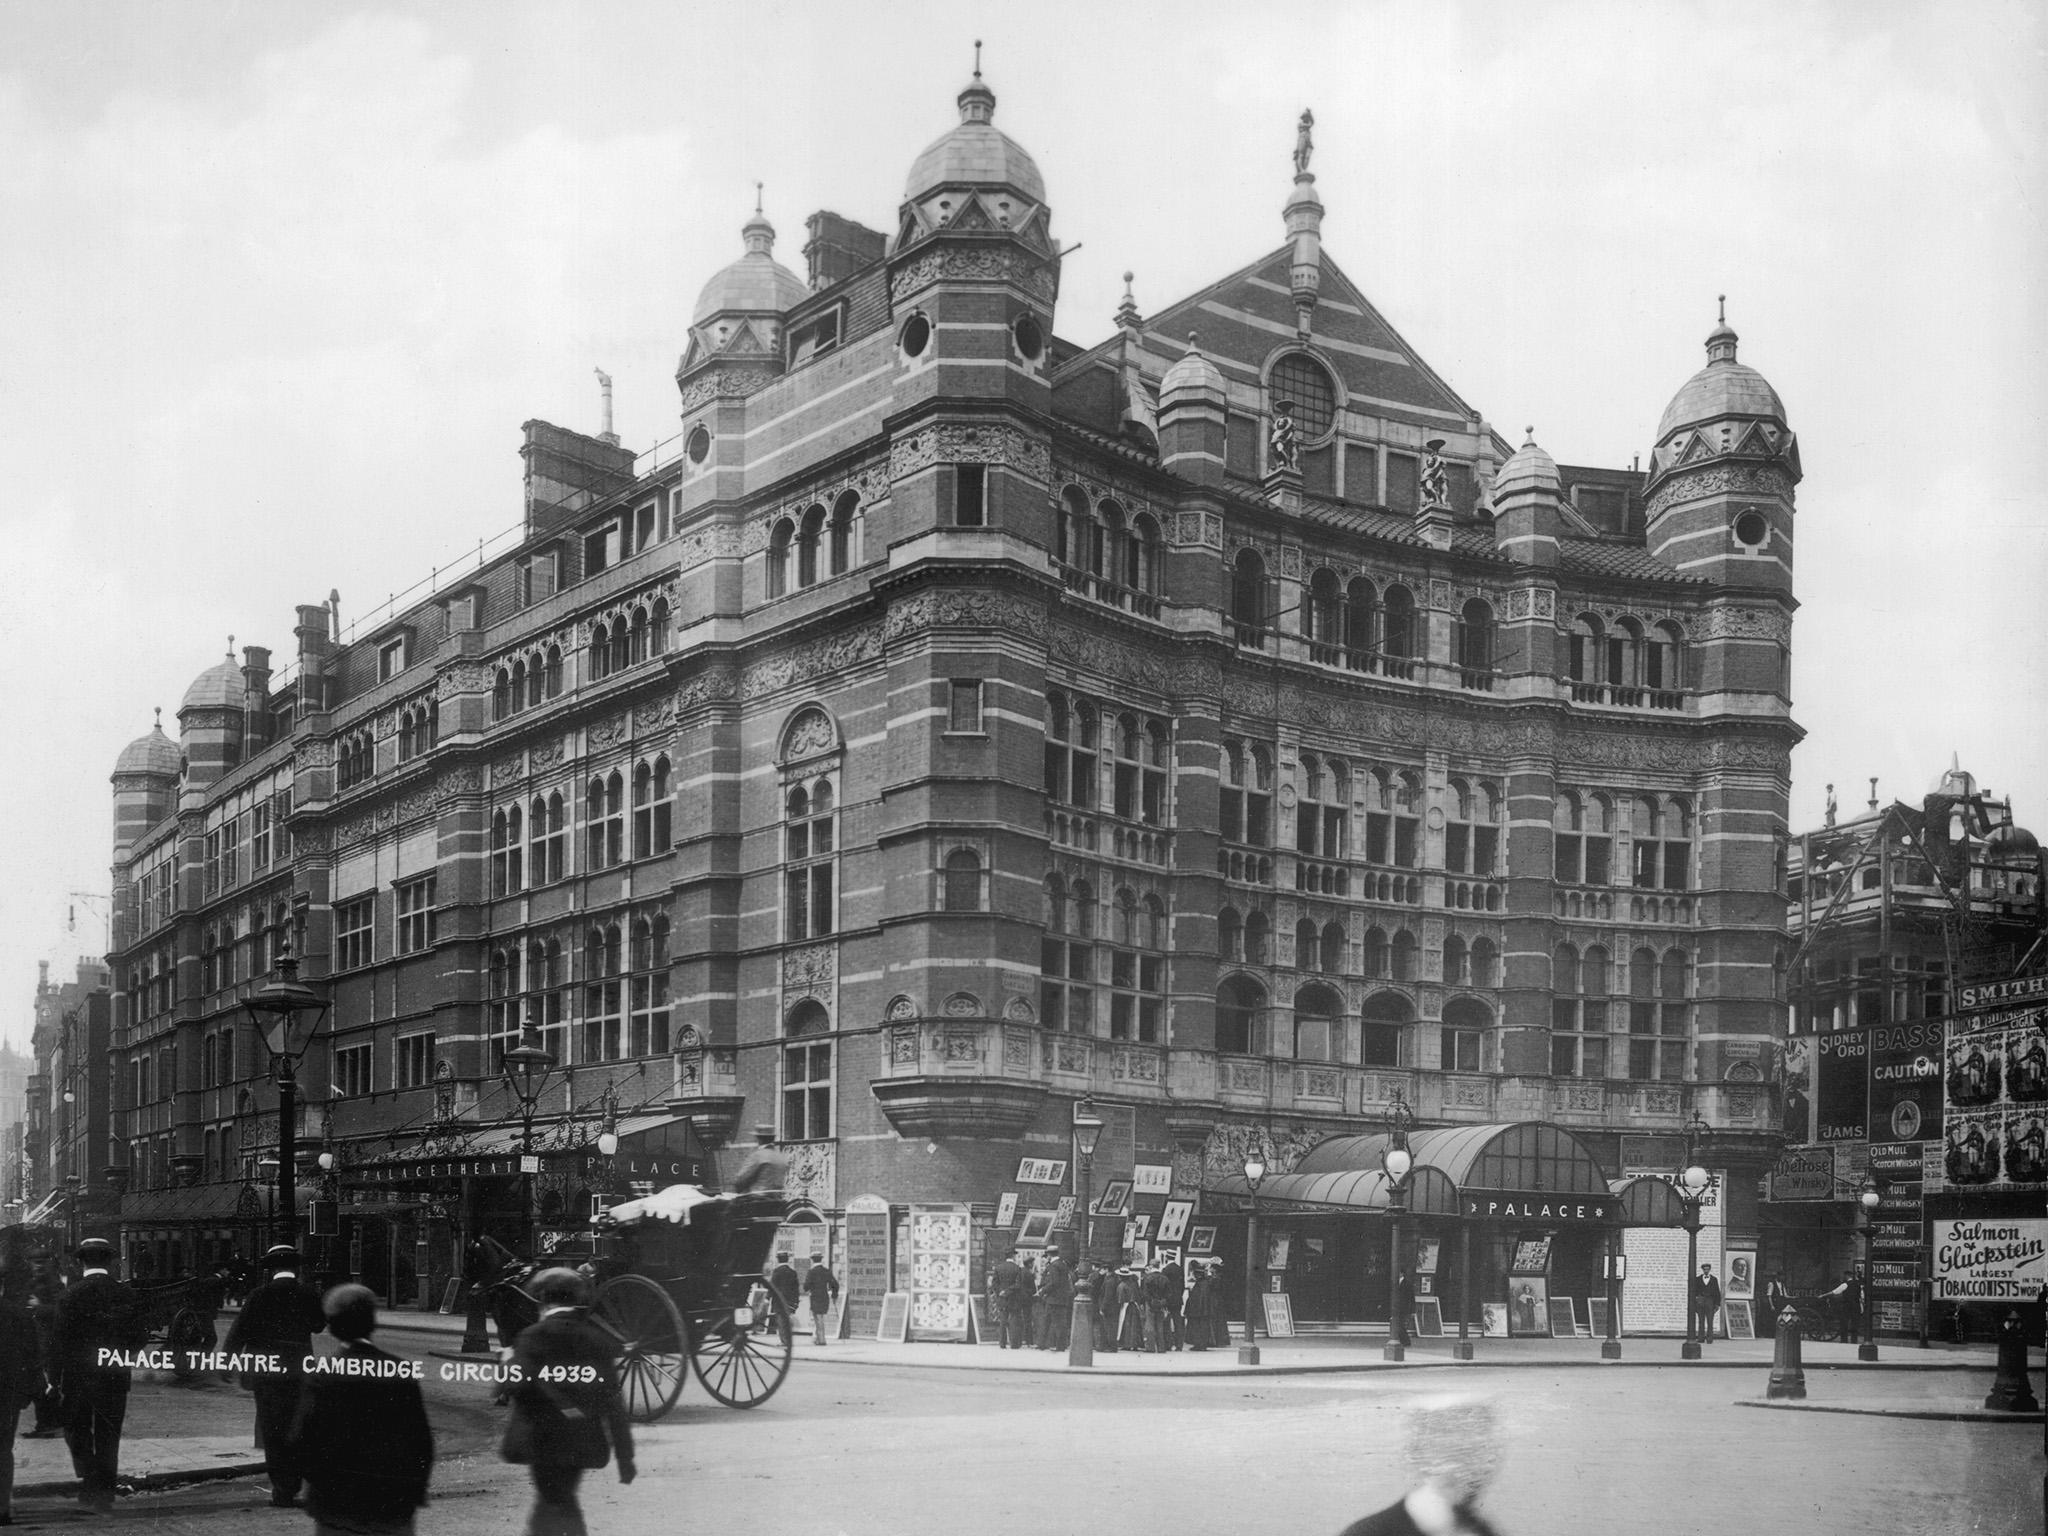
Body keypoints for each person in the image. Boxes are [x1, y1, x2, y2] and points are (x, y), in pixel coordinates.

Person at [290, 1284, 434, 1536]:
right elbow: (420, 1441)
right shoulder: (400, 1370)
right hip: (392, 1506)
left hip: (337, 1507)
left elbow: (302, 1440)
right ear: (372, 1323)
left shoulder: (323, 1375)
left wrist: (319, 1488)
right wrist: (413, 1492)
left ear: (332, 1326)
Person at [501, 1269, 634, 1536]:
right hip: (583, 1440)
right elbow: (614, 1403)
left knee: (553, 1502)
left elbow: (512, 1385)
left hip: (542, 1441)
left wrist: (506, 1363)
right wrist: (624, 1456)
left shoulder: (532, 1337)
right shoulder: (596, 1340)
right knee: (559, 1499)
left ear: (543, 1300)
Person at [223, 1244, 327, 1507]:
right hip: (298, 1372)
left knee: (272, 1429)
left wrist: (226, 1364)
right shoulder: (307, 1294)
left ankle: (281, 1489)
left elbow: (239, 1331)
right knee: (299, 1426)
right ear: (297, 1268)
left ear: (271, 1269)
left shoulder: (258, 1295)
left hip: (266, 1373)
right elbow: (318, 1326)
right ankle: (296, 1483)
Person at [49, 1237, 146, 1514]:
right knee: (109, 1434)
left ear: (81, 1262)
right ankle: (105, 1490)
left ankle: (90, 1480)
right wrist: (121, 1355)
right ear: (110, 1261)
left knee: (76, 1429)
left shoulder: (70, 1295)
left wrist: (53, 1380)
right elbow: (140, 1337)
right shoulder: (125, 1294)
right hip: (115, 1376)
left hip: (78, 1377)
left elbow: (58, 1343)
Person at [0, 1267, 45, 1523]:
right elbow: (32, 1359)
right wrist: (26, 1394)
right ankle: (2, 1509)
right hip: (6, 1397)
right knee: (3, 1450)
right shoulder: (18, 1316)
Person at [731, 1125, 788, 1196]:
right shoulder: (781, 1157)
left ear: (759, 1139)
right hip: (778, 1200)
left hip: (757, 1199)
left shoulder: (758, 1156)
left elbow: (741, 1179)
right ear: (773, 1138)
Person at [991, 1248, 1028, 1350]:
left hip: (1002, 1298)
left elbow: (994, 1284)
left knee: (1003, 1321)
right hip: (1014, 1298)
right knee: (1014, 1321)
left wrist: (1001, 1292)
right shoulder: (1017, 1268)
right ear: (1013, 1256)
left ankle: (1002, 1344)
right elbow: (1018, 1285)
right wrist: (1008, 1291)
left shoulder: (998, 1268)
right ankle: (1014, 1344)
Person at [1035, 1246, 1071, 1351]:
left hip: (1053, 1299)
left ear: (1050, 1255)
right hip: (1061, 1299)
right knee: (1057, 1322)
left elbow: (1053, 1282)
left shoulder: (1054, 1266)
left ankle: (1047, 1345)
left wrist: (1042, 1290)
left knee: (1050, 1322)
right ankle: (1056, 1345)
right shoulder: (1063, 1265)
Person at [801, 1257, 839, 1345]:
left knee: (818, 1318)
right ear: (821, 1259)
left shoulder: (811, 1272)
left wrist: (808, 1286)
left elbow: (806, 1287)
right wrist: (834, 1296)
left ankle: (821, 1339)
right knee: (820, 1317)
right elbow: (835, 1284)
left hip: (815, 1297)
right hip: (824, 1296)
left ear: (813, 1260)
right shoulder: (826, 1271)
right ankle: (818, 1338)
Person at [766, 1251, 799, 1348]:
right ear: (787, 1259)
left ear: (778, 1259)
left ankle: (784, 1341)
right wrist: (796, 1301)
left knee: (780, 1321)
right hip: (789, 1301)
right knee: (787, 1321)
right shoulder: (792, 1272)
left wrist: (768, 1297)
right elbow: (796, 1288)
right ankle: (788, 1340)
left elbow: (772, 1286)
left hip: (778, 1301)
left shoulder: (777, 1271)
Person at [1160, 1254, 1186, 1351]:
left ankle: (1168, 1343)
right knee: (1178, 1322)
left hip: (1168, 1300)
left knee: (1166, 1322)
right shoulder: (1180, 1269)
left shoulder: (1165, 1270)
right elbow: (1183, 1286)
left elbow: (1164, 1286)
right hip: (1178, 1299)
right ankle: (1179, 1345)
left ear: (1166, 1258)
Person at [1691, 1263, 1722, 1344]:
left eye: (1707, 1269)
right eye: (1705, 1269)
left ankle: (1709, 1338)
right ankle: (1701, 1338)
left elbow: (1717, 1292)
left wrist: (1717, 1304)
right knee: (1701, 1321)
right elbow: (1694, 1291)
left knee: (1710, 1321)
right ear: (1702, 1270)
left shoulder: (1714, 1279)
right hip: (1700, 1301)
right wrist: (1695, 1302)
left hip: (1710, 1301)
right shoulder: (1697, 1279)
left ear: (1710, 1270)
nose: (1706, 1271)